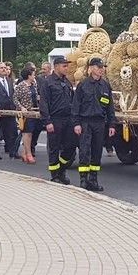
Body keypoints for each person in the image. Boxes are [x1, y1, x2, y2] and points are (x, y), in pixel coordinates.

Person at [72, 57, 116, 192]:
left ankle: (93, 180)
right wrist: (76, 123)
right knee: (85, 151)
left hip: (99, 123)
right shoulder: (83, 85)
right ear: (91, 68)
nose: (101, 70)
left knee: (97, 151)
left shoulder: (105, 85)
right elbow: (76, 105)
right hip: (85, 122)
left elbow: (110, 107)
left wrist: (112, 125)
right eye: (98, 67)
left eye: (102, 67)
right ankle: (83, 180)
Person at [39, 55, 78, 184]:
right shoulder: (48, 82)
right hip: (55, 120)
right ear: (56, 67)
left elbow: (72, 100)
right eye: (64, 66)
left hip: (68, 120)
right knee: (54, 148)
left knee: (71, 146)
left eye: (67, 66)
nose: (67, 68)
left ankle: (61, 169)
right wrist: (47, 121)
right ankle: (55, 175)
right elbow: (44, 103)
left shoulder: (66, 82)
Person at [13, 67, 39, 164]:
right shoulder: (21, 86)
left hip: (34, 111)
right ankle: (29, 154)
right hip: (25, 113)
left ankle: (25, 152)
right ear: (29, 76)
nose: (34, 76)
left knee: (31, 133)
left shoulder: (34, 84)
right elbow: (15, 99)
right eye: (33, 74)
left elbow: (35, 96)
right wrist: (21, 107)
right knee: (26, 133)